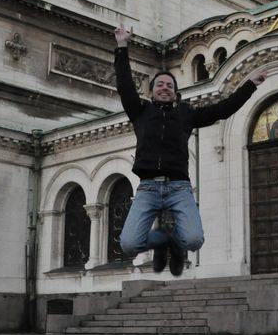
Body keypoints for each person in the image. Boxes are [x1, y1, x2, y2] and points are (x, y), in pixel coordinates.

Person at [114, 24, 267, 276]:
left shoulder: (185, 114)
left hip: (178, 187)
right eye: (160, 85)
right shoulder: (140, 111)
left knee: (194, 241)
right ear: (151, 92)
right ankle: (163, 240)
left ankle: (174, 242)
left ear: (175, 94)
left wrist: (250, 84)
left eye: (169, 86)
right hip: (148, 188)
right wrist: (122, 47)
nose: (165, 87)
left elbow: (223, 109)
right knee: (129, 243)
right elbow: (124, 85)